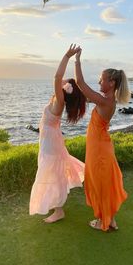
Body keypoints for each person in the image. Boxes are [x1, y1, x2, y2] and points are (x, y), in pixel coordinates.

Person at [29, 44, 86, 223]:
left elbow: (57, 76)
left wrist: (67, 56)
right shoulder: (59, 99)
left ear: (66, 89)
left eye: (66, 82)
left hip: (50, 141)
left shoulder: (60, 101)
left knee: (50, 172)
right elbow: (59, 80)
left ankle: (58, 209)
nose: (63, 82)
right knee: (53, 171)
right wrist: (75, 61)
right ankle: (57, 208)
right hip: (51, 138)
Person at [75, 48, 130, 232]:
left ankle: (102, 222)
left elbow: (81, 83)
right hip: (100, 146)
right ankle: (110, 220)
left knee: (99, 183)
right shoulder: (105, 99)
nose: (99, 81)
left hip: (99, 149)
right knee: (104, 183)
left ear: (111, 82)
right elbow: (85, 94)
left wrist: (76, 60)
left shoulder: (105, 101)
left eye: (102, 79)